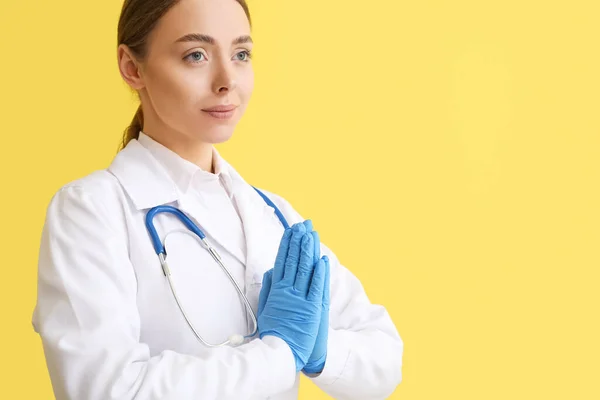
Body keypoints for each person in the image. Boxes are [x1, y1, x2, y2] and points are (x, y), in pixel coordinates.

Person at [31, 0, 404, 399]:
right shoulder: (91, 211)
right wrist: (279, 353)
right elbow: (104, 390)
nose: (227, 80)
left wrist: (320, 351)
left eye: (241, 54)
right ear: (132, 67)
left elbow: (384, 361)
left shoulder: (273, 215)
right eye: (196, 55)